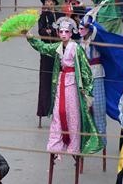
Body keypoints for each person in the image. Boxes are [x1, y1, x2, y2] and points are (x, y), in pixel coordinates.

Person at [26, 16, 102, 156]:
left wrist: (87, 91)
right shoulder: (58, 47)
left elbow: (86, 71)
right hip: (61, 81)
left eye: (66, 32)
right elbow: (44, 47)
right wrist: (31, 38)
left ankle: (74, 145)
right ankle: (56, 144)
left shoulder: (76, 49)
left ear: (71, 33)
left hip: (73, 83)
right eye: (61, 32)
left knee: (72, 113)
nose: (63, 34)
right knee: (58, 113)